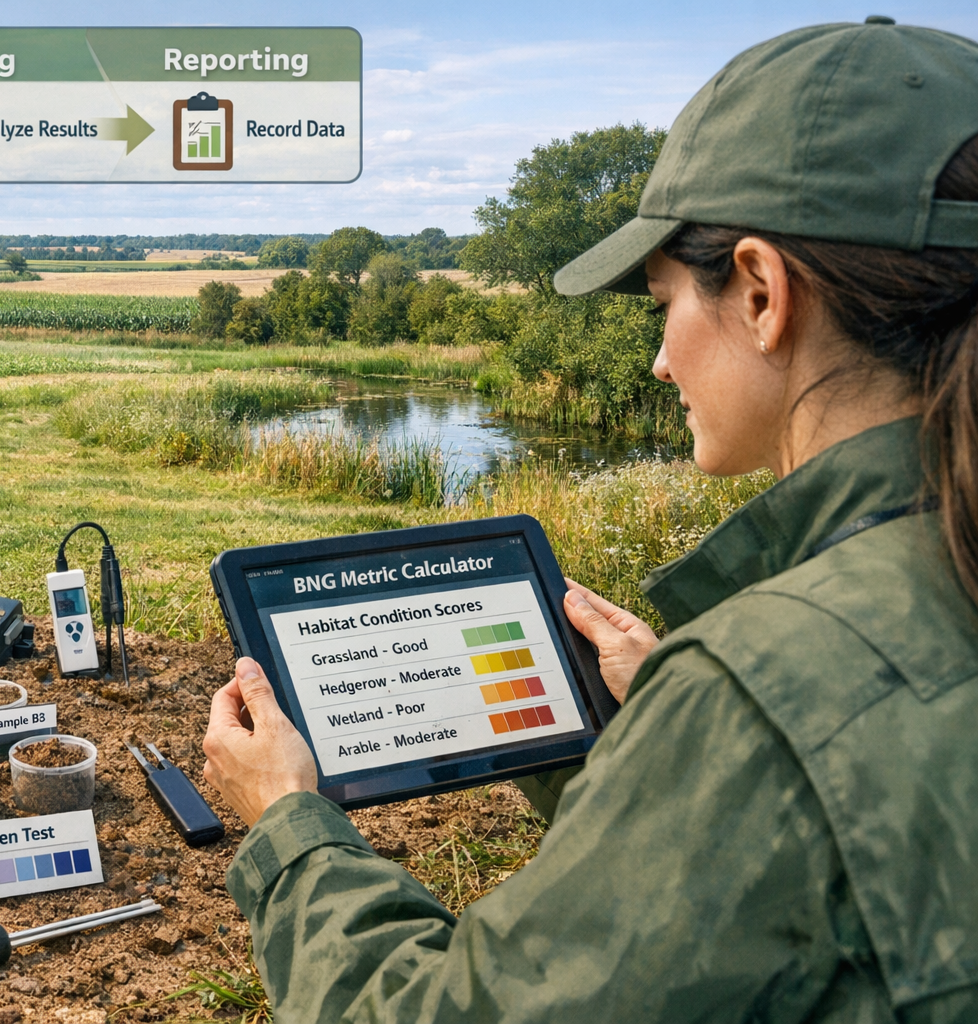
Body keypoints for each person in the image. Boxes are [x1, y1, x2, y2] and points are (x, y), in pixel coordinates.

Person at [200, 19, 978, 1021]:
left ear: (759, 290)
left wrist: (289, 824)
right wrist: (652, 747)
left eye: (661, 303)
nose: (659, 362)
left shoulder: (764, 690)